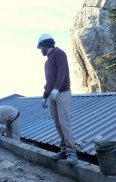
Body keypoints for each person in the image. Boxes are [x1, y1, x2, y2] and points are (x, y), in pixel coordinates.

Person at [37, 33, 78, 163]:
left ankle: (72, 153)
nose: (40, 51)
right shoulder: (47, 62)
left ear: (45, 45)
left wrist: (57, 88)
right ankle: (64, 150)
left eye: (40, 47)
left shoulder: (59, 53)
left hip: (63, 93)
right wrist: (45, 96)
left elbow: (62, 72)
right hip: (53, 95)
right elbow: (49, 81)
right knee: (57, 122)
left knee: (64, 122)